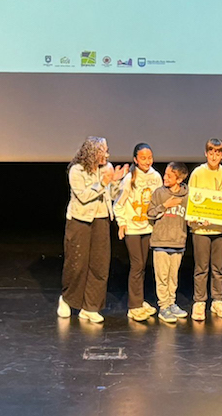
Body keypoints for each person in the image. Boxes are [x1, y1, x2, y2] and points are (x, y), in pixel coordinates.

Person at [58, 137, 129, 324]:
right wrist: (104, 183)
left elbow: (111, 195)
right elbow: (83, 196)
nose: (107, 154)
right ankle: (67, 299)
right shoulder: (77, 170)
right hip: (79, 220)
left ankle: (91, 307)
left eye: (106, 150)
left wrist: (116, 181)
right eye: (103, 151)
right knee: (77, 263)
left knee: (100, 264)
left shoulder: (107, 168)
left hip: (101, 219)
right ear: (92, 153)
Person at [115, 143, 163, 322]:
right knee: (137, 265)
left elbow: (159, 199)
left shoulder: (156, 176)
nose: (147, 161)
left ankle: (139, 301)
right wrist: (121, 223)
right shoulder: (129, 178)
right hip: (133, 229)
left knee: (142, 266)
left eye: (149, 157)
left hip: (148, 227)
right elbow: (119, 203)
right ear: (135, 159)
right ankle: (133, 307)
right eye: (143, 158)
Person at [188, 138, 222, 321]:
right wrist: (197, 218)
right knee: (201, 267)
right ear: (206, 153)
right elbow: (192, 199)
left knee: (218, 267)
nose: (214, 156)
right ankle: (199, 301)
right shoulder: (198, 173)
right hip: (201, 230)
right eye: (211, 152)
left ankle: (217, 300)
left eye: (218, 153)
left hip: (220, 230)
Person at [147, 162, 192, 324]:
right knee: (162, 277)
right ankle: (163, 306)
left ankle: (171, 303)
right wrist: (165, 205)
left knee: (173, 277)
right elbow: (150, 213)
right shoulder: (159, 193)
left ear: (179, 179)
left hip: (178, 241)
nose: (165, 177)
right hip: (161, 241)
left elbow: (190, 217)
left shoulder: (187, 195)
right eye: (165, 174)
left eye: (169, 176)